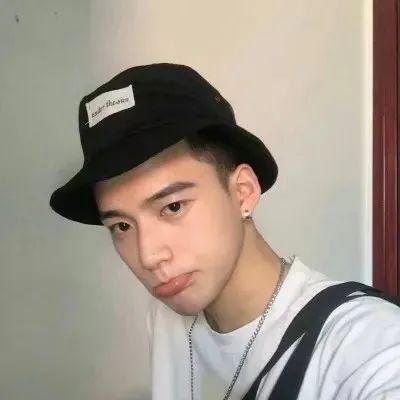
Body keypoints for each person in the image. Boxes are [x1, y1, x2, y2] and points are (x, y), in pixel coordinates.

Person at [50, 64, 400, 400]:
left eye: (173, 206)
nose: (149, 256)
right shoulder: (168, 316)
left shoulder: (368, 346)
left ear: (243, 192)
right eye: (122, 226)